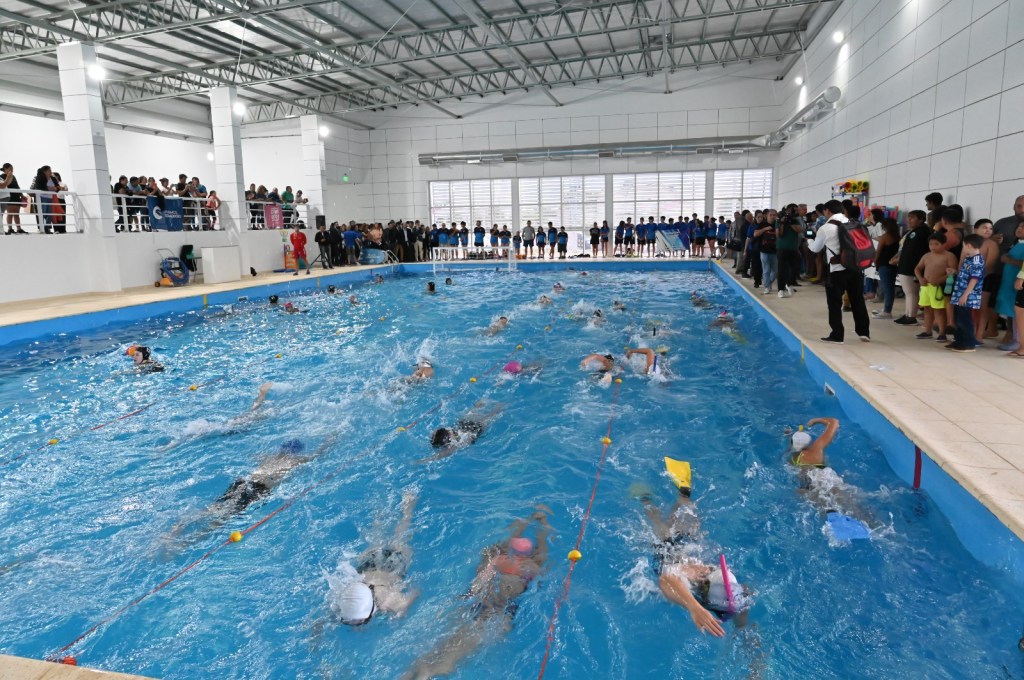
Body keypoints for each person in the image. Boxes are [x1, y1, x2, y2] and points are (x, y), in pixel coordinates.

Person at [400, 509, 550, 680]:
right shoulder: (531, 567)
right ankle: (428, 673)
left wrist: (527, 519)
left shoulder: (499, 560)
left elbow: (505, 544)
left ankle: (413, 671)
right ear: (529, 554)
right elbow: (542, 547)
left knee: (447, 642)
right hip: (502, 612)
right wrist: (543, 521)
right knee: (458, 653)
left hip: (477, 601)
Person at [634, 463, 752, 637]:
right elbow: (666, 581)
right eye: (712, 569)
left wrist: (744, 633)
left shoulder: (696, 585)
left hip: (671, 551)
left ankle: (662, 497)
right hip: (674, 551)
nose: (706, 569)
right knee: (681, 525)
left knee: (670, 528)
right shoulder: (692, 588)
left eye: (707, 573)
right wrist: (694, 608)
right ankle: (656, 497)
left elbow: (666, 581)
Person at [165, 436, 335, 550]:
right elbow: (317, 455)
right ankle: (188, 542)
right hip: (257, 489)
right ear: (297, 453)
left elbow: (253, 454)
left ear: (281, 449)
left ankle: (174, 531)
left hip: (241, 482)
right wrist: (331, 440)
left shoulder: (267, 457)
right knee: (223, 517)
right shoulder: (296, 461)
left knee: (212, 509)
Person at [332, 490, 420, 625]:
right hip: (368, 563)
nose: (356, 628)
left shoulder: (389, 601)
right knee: (378, 540)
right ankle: (383, 513)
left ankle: (407, 510)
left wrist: (401, 612)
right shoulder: (345, 599)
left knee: (400, 538)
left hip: (394, 566)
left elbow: (415, 593)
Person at [808, 200, 870, 343]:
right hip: (856, 268)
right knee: (858, 300)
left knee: (835, 303)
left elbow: (815, 249)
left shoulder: (826, 228)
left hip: (837, 270)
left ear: (827, 211)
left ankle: (837, 335)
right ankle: (864, 332)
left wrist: (809, 240)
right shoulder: (854, 223)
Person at [421, 401, 504, 462]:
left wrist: (425, 460)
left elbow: (443, 454)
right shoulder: (454, 438)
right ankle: (481, 406)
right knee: (477, 414)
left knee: (489, 417)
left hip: (474, 429)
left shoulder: (454, 445)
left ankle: (497, 408)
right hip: (463, 426)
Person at [914, 233, 957, 342]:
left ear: (944, 244)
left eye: (936, 244)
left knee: (939, 310)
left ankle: (942, 333)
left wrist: (940, 280)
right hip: (926, 286)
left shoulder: (949, 256)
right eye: (931, 244)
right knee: (927, 309)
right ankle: (927, 331)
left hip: (938, 287)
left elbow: (953, 272)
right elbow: (917, 269)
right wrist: (920, 279)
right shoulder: (927, 256)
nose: (933, 247)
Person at [946, 234, 986, 352]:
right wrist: (954, 272)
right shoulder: (969, 259)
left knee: (965, 320)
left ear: (968, 245)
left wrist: (965, 295)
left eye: (963, 246)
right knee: (958, 318)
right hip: (960, 293)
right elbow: (966, 274)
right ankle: (959, 340)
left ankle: (968, 343)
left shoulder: (977, 261)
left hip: (968, 296)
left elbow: (974, 279)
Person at [893, 210, 931, 326]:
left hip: (912, 267)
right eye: (908, 217)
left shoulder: (922, 232)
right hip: (906, 266)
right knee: (908, 292)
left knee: (912, 293)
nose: (909, 220)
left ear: (920, 220)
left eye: (912, 218)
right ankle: (907, 314)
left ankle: (911, 316)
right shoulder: (913, 232)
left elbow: (915, 252)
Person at [995, 220, 1024, 351]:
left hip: (1017, 282)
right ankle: (1012, 336)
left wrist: (1008, 260)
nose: (1019, 228)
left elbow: (1021, 264)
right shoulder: (1017, 243)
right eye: (1018, 226)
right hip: (1009, 282)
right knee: (1009, 310)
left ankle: (1017, 339)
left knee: (1016, 312)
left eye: (1023, 227)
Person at [871, 217, 901, 319]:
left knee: (887, 288)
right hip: (892, 265)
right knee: (889, 288)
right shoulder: (897, 237)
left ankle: (887, 311)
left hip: (884, 264)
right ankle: (886, 309)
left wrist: (875, 261)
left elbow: (878, 252)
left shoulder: (885, 236)